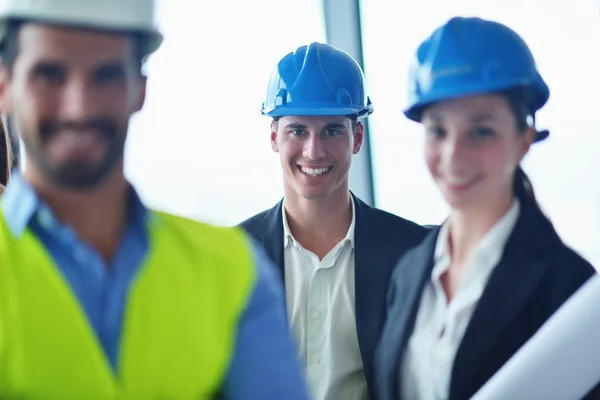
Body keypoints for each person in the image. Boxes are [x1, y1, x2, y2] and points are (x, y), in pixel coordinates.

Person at [0, 0, 310, 398]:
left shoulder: (231, 271)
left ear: (140, 90)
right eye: (49, 75)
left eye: (106, 76)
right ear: (6, 87)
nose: (78, 106)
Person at [374, 16, 597, 400]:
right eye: (438, 131)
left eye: (480, 132)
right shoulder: (408, 272)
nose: (453, 155)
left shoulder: (571, 288)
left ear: (524, 139)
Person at [240, 42, 429, 400]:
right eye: (297, 131)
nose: (314, 151)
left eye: (331, 131)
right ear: (273, 138)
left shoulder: (413, 253)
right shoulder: (234, 258)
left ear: (356, 137)